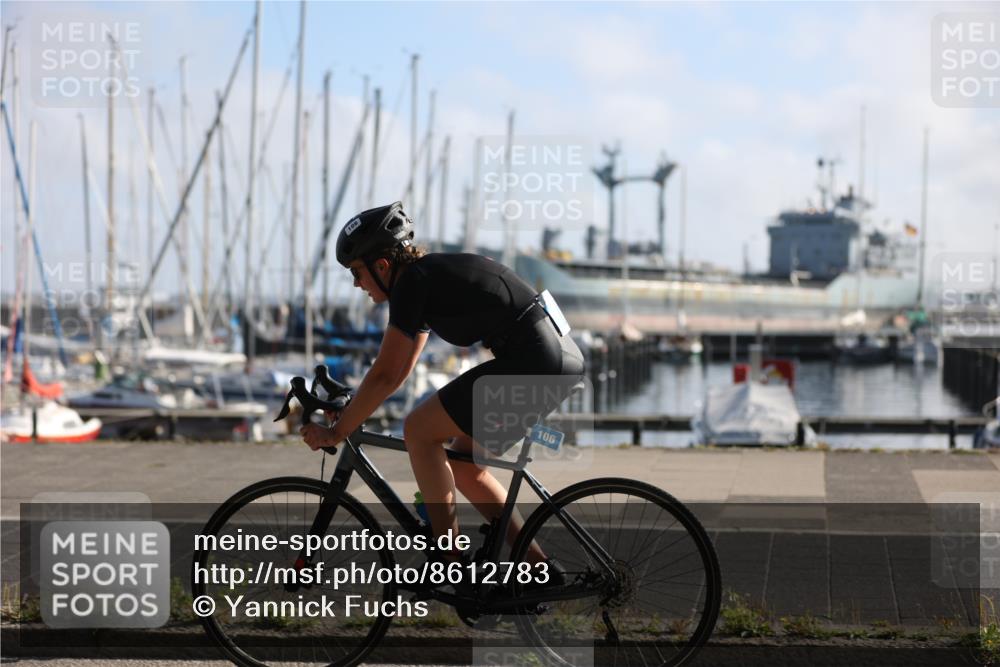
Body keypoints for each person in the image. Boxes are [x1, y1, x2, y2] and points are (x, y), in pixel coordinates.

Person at [300, 202, 584, 574]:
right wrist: (354, 409)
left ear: (382, 266)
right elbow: (398, 370)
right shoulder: (424, 280)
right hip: (554, 358)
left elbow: (387, 374)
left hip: (534, 362)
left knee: (419, 430)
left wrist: (338, 430)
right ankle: (541, 569)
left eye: (356, 273)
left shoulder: (413, 285)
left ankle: (448, 556)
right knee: (466, 468)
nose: (356, 284)